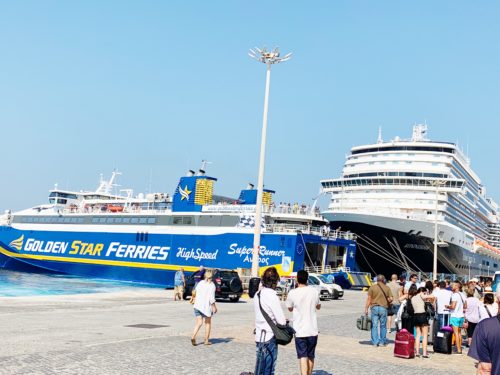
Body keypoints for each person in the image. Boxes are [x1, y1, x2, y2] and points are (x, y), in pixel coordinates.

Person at [286, 270, 321, 375]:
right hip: (312, 329)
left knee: (302, 356)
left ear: (297, 279)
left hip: (300, 329)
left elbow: (289, 308)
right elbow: (318, 306)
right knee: (311, 355)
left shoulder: (293, 292)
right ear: (307, 279)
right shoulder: (314, 291)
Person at [254, 267, 286, 375]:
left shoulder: (257, 295)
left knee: (259, 369)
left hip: (259, 336)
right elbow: (281, 321)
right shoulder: (272, 295)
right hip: (269, 337)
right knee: (269, 370)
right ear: (275, 281)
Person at [468, 287, 500, 375]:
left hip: (489, 330)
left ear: (497, 299)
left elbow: (485, 369)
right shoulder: (493, 307)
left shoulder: (485, 326)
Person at [364, 274, 393, 347]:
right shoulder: (387, 288)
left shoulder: (372, 287)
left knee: (374, 325)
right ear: (383, 280)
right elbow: (391, 299)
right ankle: (382, 342)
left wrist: (366, 309)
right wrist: (388, 300)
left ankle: (375, 342)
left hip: (374, 308)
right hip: (383, 308)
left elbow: (369, 299)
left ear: (377, 280)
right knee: (383, 326)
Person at [191, 269, 217, 346]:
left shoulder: (200, 283)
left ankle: (193, 336)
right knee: (207, 323)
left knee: (199, 323)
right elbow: (211, 298)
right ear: (212, 276)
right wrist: (214, 307)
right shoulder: (212, 285)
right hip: (206, 307)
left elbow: (194, 291)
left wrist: (193, 298)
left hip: (197, 305)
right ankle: (206, 340)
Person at [411, 287, 435, 358]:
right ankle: (424, 353)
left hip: (415, 316)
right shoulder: (421, 294)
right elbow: (428, 296)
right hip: (422, 315)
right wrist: (431, 295)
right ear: (422, 291)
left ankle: (417, 352)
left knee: (418, 335)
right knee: (425, 335)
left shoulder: (413, 297)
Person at [445, 281, 467, 354]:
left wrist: (448, 306)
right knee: (459, 333)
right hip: (461, 316)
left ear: (457, 286)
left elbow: (453, 307)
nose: (451, 286)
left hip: (455, 316)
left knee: (456, 333)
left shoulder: (454, 295)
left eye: (453, 285)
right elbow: (465, 306)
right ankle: (459, 347)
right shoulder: (463, 294)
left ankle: (458, 350)